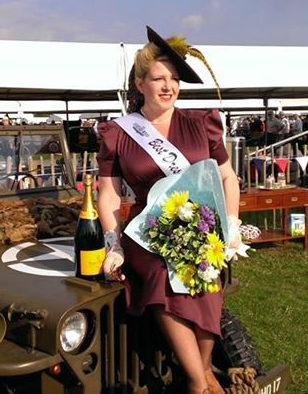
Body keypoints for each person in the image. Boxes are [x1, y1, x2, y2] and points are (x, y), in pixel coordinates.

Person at [96, 26, 241, 394]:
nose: (168, 86)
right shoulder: (120, 133)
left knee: (207, 270)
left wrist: (232, 224)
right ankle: (198, 381)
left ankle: (203, 372)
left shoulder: (201, 123)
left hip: (201, 224)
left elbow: (228, 179)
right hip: (148, 233)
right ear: (140, 83)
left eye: (174, 79)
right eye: (158, 78)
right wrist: (113, 245)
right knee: (163, 272)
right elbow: (110, 195)